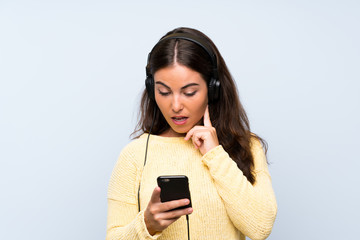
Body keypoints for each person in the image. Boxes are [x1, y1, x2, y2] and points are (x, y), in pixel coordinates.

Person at [106, 27, 277, 240]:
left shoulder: (247, 146)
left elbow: (260, 227)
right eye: (164, 92)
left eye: (189, 92)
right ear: (152, 90)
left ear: (213, 89)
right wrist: (147, 225)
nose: (175, 105)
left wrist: (215, 154)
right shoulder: (135, 155)